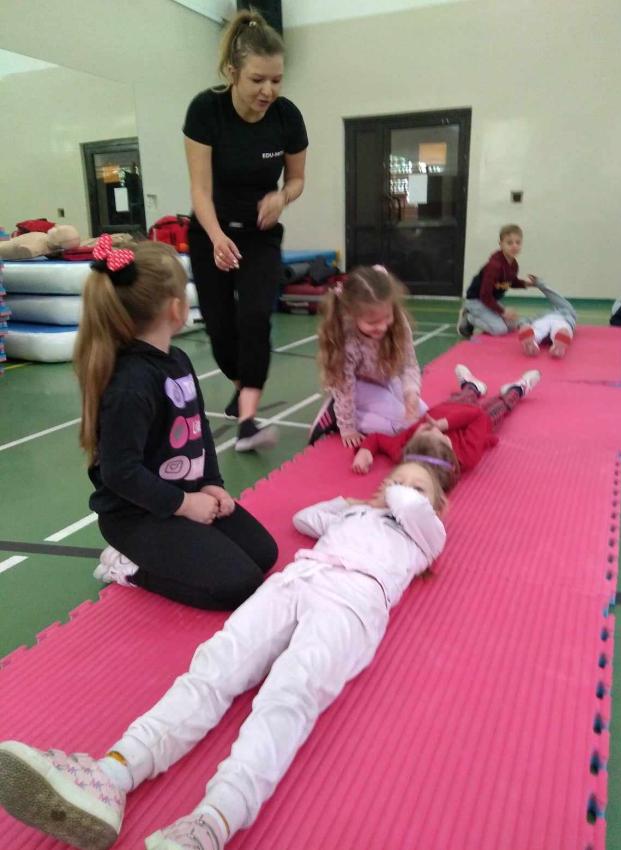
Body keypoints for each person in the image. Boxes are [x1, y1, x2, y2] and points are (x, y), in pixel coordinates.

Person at [0, 462, 446, 850]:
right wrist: (352, 503)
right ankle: (114, 772)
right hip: (297, 580)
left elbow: (413, 508)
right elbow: (306, 519)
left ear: (436, 507)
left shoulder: (423, 537)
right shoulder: (357, 512)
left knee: (290, 694)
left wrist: (393, 493)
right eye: (396, 480)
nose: (402, 490)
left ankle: (215, 818)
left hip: (351, 604)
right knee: (215, 666)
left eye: (417, 486)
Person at [73, 236, 277, 609]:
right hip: (136, 514)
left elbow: (199, 429)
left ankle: (181, 526)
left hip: (183, 495)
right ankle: (127, 565)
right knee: (238, 585)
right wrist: (184, 504)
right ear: (176, 308)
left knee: (263, 553)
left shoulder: (177, 359)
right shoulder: (130, 384)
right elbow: (119, 473)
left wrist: (212, 485)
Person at [183, 9, 308, 452]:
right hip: (210, 232)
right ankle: (242, 391)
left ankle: (249, 422)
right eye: (258, 80)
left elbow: (297, 179)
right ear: (233, 72)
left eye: (276, 80)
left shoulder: (286, 117)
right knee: (220, 328)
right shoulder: (206, 111)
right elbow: (200, 189)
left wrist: (282, 197)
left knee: (254, 317)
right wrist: (217, 237)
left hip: (259, 234)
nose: (268, 90)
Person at [353, 364, 541, 486]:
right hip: (477, 420)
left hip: (450, 406)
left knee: (466, 395)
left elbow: (377, 439)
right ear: (449, 446)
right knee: (501, 406)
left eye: (425, 429)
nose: (431, 427)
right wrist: (445, 424)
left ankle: (472, 386)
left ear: (411, 443)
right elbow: (478, 416)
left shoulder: (402, 450)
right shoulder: (467, 456)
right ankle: (518, 388)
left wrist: (365, 451)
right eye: (438, 433)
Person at [309, 265, 426, 447]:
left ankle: (360, 410)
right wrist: (348, 427)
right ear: (352, 314)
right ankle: (333, 413)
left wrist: (411, 393)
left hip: (386, 379)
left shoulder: (398, 323)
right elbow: (345, 386)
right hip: (358, 386)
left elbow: (409, 364)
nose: (383, 326)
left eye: (387, 317)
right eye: (372, 322)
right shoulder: (347, 339)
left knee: (421, 416)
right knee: (400, 427)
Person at [457, 224, 536, 338]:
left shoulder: (513, 265)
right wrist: (503, 311)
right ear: (501, 244)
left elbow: (511, 282)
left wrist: (526, 284)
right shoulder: (494, 266)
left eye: (518, 242)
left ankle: (482, 316)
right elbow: (484, 295)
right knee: (500, 330)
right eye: (509, 243)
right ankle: (469, 317)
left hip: (489, 300)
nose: (514, 246)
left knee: (512, 324)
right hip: (476, 300)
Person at [516, 280, 576, 357]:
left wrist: (523, 325)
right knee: (563, 328)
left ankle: (532, 343)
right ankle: (558, 348)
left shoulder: (542, 314)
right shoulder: (568, 312)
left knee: (537, 330)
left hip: (543, 320)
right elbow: (557, 298)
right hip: (561, 321)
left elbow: (527, 320)